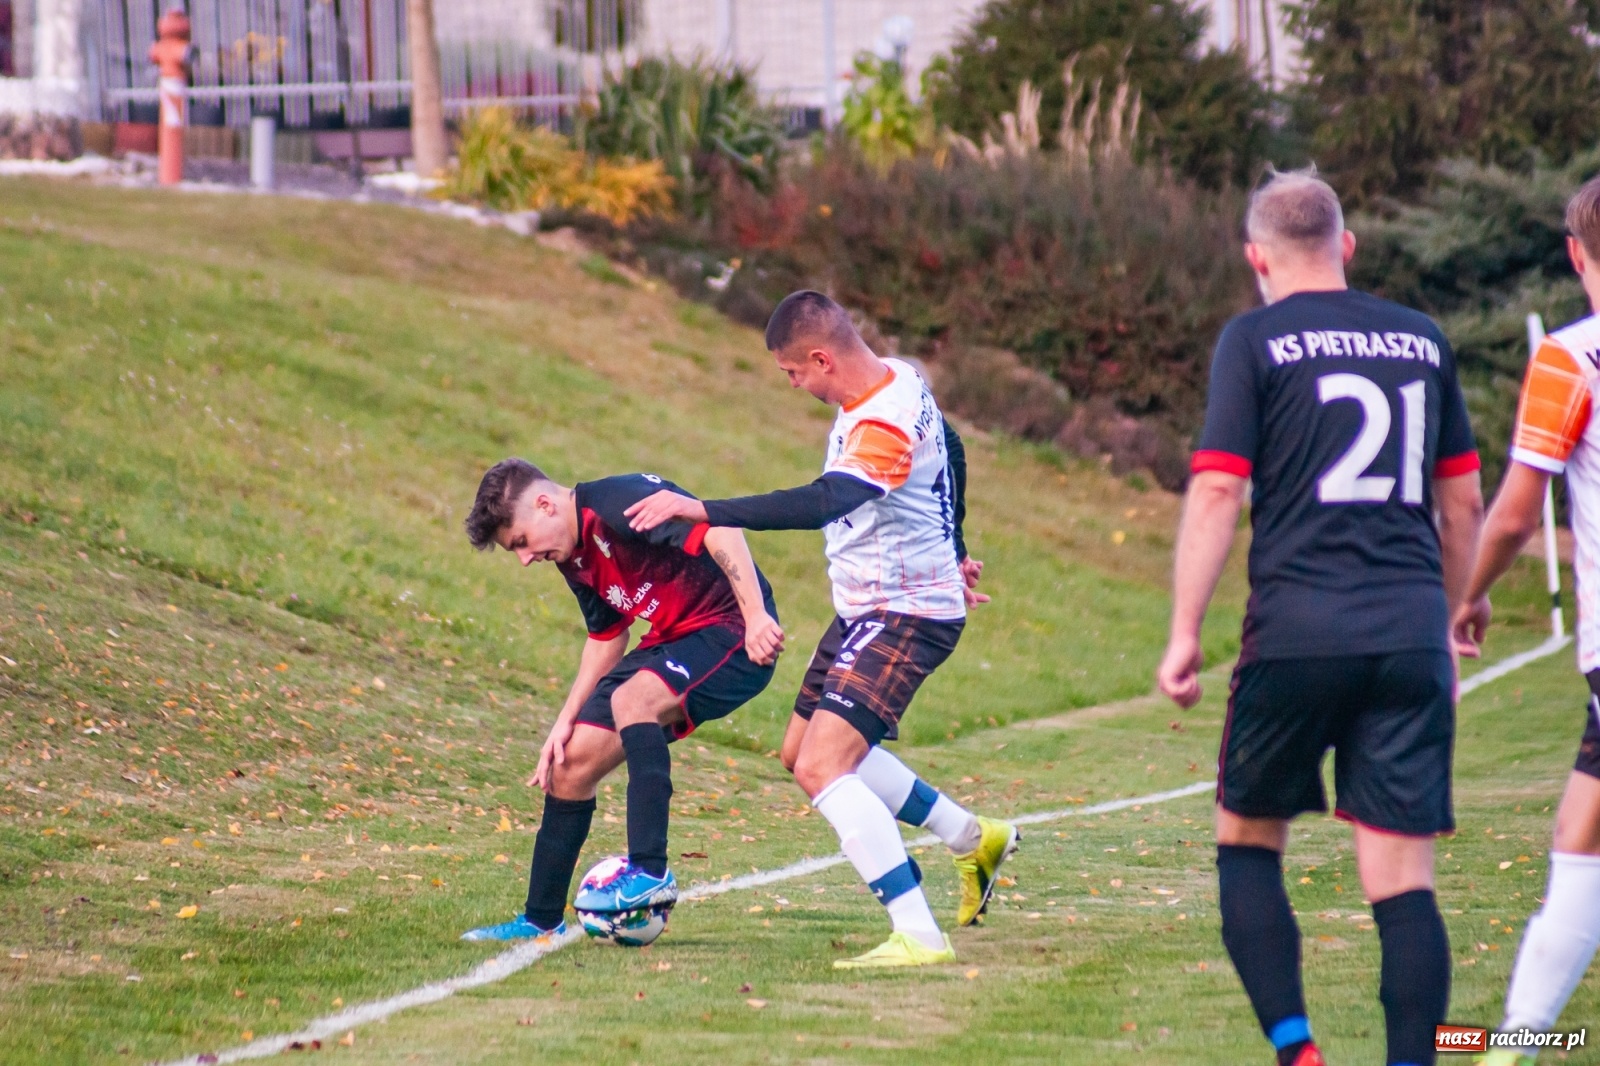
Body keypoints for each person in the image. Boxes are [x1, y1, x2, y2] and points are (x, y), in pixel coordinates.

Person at [1156, 171, 1485, 1066]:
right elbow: (1462, 506)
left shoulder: (1253, 339)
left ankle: (1298, 1050)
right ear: (1346, 247)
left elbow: (1221, 485)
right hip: (1409, 629)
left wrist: (1185, 632)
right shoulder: (1423, 339)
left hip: (1296, 632)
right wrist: (1457, 613)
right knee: (1400, 881)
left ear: (1256, 257)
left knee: (1248, 841)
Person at [625, 290, 1019, 969]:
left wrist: (703, 509)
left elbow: (826, 501)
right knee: (801, 749)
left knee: (822, 765)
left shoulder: (883, 423)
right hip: (870, 605)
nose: (792, 385)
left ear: (819, 357)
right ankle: (971, 837)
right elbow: (950, 450)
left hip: (906, 613)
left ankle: (917, 933)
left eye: (791, 373)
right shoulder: (896, 375)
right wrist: (952, 547)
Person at [457, 460, 783, 943]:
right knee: (569, 765)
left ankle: (649, 874)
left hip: (731, 629)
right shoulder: (571, 553)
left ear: (545, 505)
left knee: (633, 700)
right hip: (670, 639)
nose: (525, 559)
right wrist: (561, 725)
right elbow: (607, 637)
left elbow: (720, 528)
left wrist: (756, 618)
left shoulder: (617, 504)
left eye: (521, 543)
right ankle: (540, 920)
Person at [1453, 176, 1600, 1066]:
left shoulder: (1573, 359)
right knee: (1578, 834)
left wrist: (1468, 593)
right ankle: (1513, 1043)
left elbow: (1513, 514)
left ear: (1576, 254)